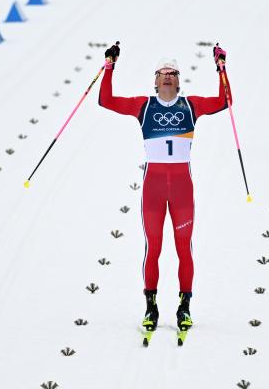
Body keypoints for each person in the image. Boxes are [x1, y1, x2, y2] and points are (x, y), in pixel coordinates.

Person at [99, 42, 230, 340]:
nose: (168, 77)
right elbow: (105, 100)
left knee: (184, 248)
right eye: (162, 73)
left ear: (178, 79)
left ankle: (184, 306)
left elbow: (225, 101)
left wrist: (221, 68)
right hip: (154, 189)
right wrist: (109, 66)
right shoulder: (143, 106)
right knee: (153, 249)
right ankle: (151, 306)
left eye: (172, 73)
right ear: (155, 80)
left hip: (182, 188)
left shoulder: (191, 105)